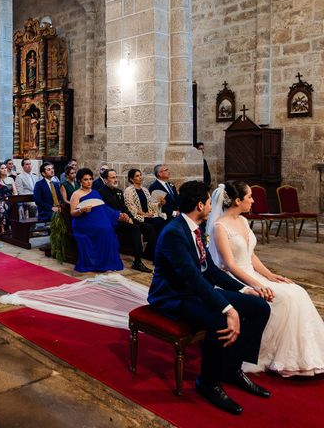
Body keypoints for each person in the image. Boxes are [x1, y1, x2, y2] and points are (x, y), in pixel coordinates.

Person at [148, 181, 271, 415]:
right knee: (222, 320)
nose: (211, 205)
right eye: (207, 201)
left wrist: (244, 290)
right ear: (200, 204)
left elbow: (211, 270)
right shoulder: (174, 233)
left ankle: (232, 368)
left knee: (258, 307)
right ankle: (208, 382)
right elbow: (192, 278)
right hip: (174, 296)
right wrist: (228, 309)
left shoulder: (195, 228)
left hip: (195, 290)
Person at [207, 182, 324, 377]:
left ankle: (304, 354)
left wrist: (270, 275)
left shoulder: (243, 221)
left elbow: (250, 255)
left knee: (297, 291)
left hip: (252, 273)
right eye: (250, 197)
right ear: (237, 200)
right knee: (284, 298)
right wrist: (257, 284)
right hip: (234, 278)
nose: (253, 200)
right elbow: (230, 265)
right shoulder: (220, 226)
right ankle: (268, 353)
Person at [69, 168, 124, 273]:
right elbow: (72, 213)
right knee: (103, 231)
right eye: (86, 179)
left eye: (90, 179)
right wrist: (81, 210)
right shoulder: (76, 194)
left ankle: (106, 263)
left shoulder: (95, 192)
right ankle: (97, 263)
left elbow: (104, 208)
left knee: (108, 231)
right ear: (80, 181)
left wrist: (118, 214)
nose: (89, 182)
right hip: (83, 223)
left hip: (96, 221)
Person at [98, 169, 152, 272]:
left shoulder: (118, 192)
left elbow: (124, 208)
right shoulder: (100, 193)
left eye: (116, 177)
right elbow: (103, 211)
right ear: (105, 180)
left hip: (124, 219)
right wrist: (118, 216)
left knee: (148, 227)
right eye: (112, 178)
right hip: (112, 222)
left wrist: (130, 217)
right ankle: (137, 261)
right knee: (135, 228)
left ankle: (150, 254)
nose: (115, 180)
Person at [124, 168, 166, 240]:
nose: (140, 177)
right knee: (157, 221)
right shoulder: (129, 191)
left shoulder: (145, 190)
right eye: (137, 176)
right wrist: (145, 214)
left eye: (140, 175)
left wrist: (160, 204)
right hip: (139, 216)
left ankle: (156, 244)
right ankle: (154, 246)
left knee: (162, 219)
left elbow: (151, 204)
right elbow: (131, 208)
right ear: (131, 179)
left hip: (149, 215)